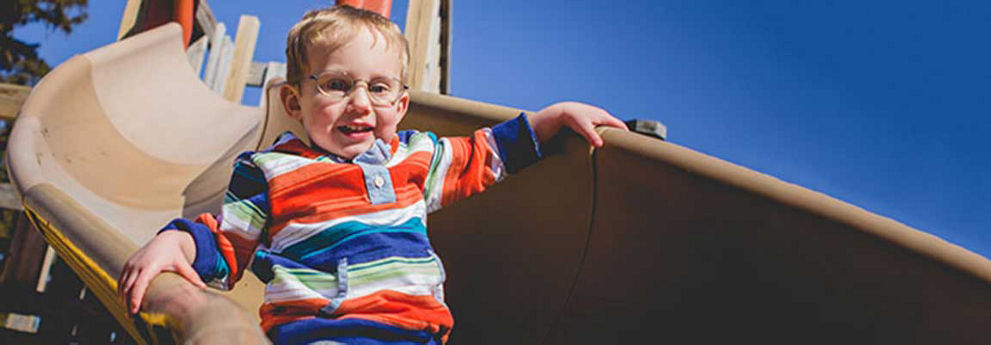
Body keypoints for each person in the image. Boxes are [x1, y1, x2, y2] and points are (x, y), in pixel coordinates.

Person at [116, 5, 626, 344]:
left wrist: (552, 116)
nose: (360, 102)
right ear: (295, 100)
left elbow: (483, 155)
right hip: (326, 333)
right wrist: (176, 244)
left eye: (379, 89)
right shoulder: (271, 169)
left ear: (401, 105)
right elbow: (227, 243)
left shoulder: (411, 159)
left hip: (418, 334)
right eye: (337, 84)